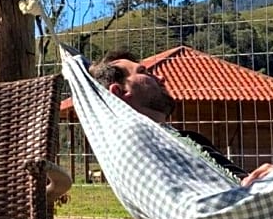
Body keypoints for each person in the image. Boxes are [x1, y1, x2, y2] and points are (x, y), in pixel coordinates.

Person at [90, 50, 249, 180]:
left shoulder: (191, 140)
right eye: (143, 72)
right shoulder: (145, 151)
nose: (161, 77)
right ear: (120, 91)